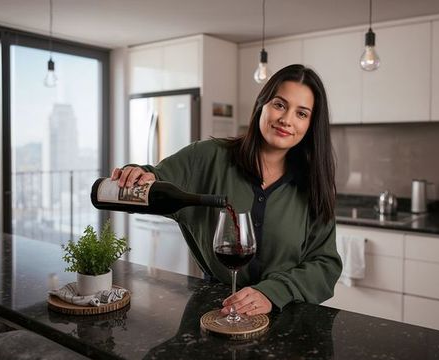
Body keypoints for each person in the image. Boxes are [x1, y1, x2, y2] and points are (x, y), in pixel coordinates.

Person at [111, 64, 342, 315]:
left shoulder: (313, 185)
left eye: (302, 113)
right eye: (280, 105)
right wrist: (135, 174)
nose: (286, 119)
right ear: (262, 105)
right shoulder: (208, 157)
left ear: (311, 125)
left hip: (285, 314)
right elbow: (156, 179)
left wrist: (273, 292)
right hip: (214, 310)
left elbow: (325, 264)